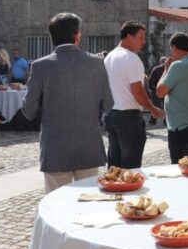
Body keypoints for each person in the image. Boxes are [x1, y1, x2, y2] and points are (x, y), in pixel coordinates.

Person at [22, 13, 114, 193]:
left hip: (55, 147)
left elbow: (28, 111)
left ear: (51, 37)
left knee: (57, 206)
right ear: (77, 35)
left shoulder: (40, 66)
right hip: (88, 146)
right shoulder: (96, 63)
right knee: (88, 204)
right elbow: (108, 104)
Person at [103, 21, 164, 168]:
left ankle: (116, 191)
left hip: (111, 114)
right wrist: (152, 108)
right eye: (141, 38)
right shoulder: (131, 59)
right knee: (131, 167)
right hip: (128, 117)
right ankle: (127, 191)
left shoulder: (109, 57)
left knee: (114, 166)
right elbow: (137, 91)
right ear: (129, 37)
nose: (143, 42)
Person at [155, 33, 188, 164]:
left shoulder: (177, 66)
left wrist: (165, 70)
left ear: (174, 48)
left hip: (180, 127)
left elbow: (160, 92)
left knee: (180, 168)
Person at [146, 57, 167, 125]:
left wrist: (151, 88)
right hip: (164, 90)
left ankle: (153, 120)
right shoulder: (168, 69)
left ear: (160, 62)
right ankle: (166, 121)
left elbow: (150, 79)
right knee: (166, 106)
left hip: (156, 90)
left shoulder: (156, 69)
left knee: (154, 105)